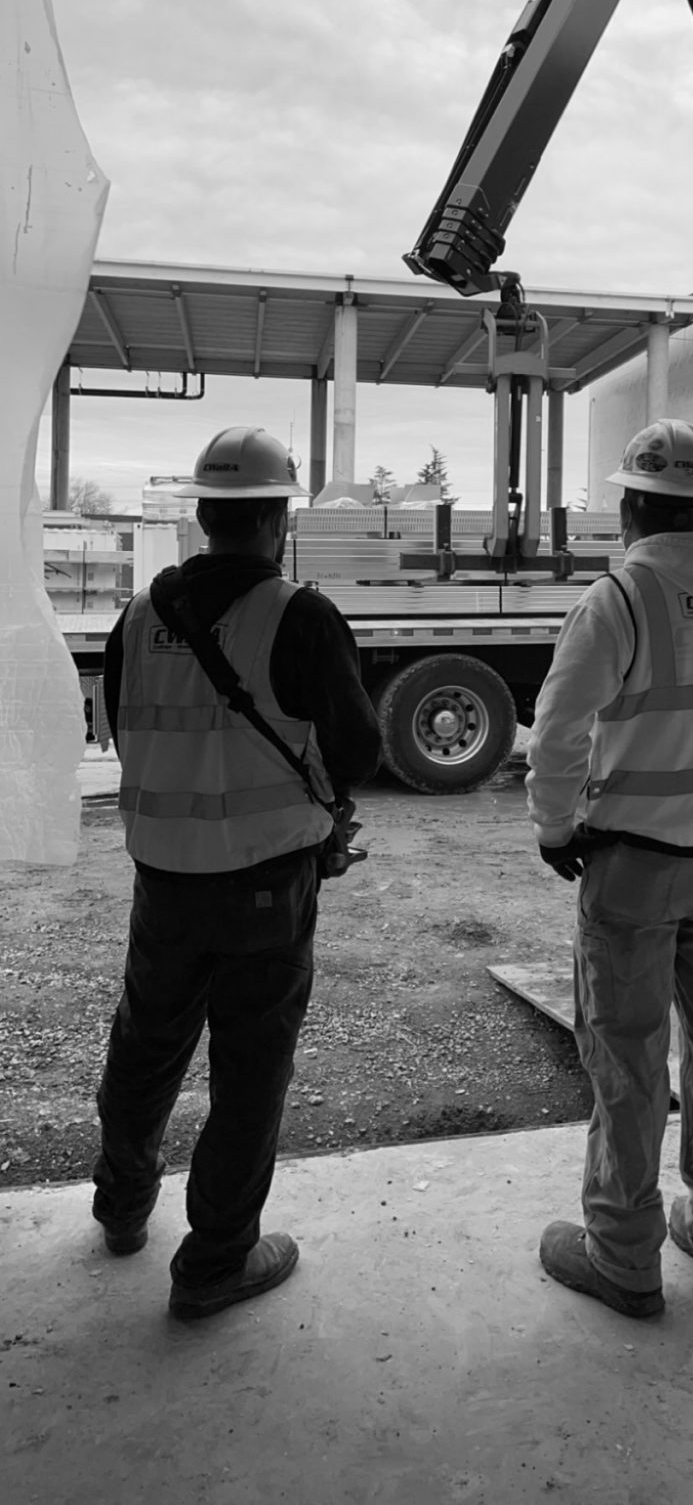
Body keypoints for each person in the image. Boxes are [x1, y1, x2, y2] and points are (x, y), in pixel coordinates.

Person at [94, 426, 382, 1320]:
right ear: (275, 517)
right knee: (250, 1067)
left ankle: (121, 1205)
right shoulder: (297, 614)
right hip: (264, 883)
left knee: (148, 1040)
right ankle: (218, 1260)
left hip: (164, 879)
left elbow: (124, 727)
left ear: (205, 515)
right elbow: (359, 749)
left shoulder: (140, 615)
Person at [525, 418, 693, 1320]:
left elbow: (559, 732)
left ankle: (624, 1255)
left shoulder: (620, 600)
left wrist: (556, 830)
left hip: (633, 866)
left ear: (633, 504)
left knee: (627, 1057)